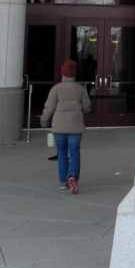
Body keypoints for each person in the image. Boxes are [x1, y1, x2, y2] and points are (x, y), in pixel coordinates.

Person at [40, 59, 91, 194]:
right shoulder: (80, 89)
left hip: (59, 127)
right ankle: (72, 176)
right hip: (75, 127)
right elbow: (87, 107)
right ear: (74, 74)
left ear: (62, 73)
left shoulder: (56, 89)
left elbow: (49, 108)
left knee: (62, 154)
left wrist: (44, 121)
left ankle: (63, 182)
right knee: (74, 153)